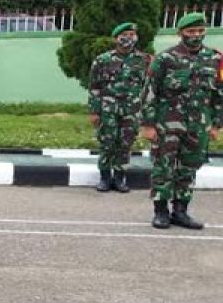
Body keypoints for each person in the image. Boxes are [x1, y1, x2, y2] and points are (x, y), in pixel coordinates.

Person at [141, 12, 223, 229]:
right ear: (180, 33)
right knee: (164, 166)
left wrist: (216, 123)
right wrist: (148, 124)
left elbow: (219, 94)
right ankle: (160, 211)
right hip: (167, 123)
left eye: (200, 31)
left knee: (189, 168)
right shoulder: (165, 59)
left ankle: (181, 211)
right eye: (191, 32)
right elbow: (150, 91)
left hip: (198, 124)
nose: (196, 36)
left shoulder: (215, 59)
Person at [88, 22, 149, 193]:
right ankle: (105, 177)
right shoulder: (102, 60)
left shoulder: (143, 60)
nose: (128, 38)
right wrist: (94, 111)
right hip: (108, 108)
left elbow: (148, 86)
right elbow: (94, 86)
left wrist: (146, 111)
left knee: (125, 143)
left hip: (132, 109)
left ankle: (120, 177)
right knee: (107, 142)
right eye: (125, 35)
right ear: (116, 38)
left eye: (132, 35)